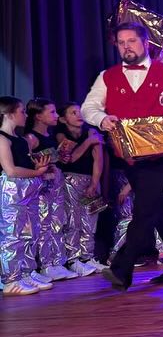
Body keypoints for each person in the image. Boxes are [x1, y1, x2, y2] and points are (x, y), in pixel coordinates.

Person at [82, 22, 163, 289]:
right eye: (121, 42)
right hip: (129, 155)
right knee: (157, 206)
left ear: (145, 43)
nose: (126, 46)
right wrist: (102, 119)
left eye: (131, 41)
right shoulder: (108, 76)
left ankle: (121, 267)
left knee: (145, 208)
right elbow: (88, 108)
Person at [1, 97, 55, 296]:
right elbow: (10, 170)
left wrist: (40, 168)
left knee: (28, 233)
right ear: (8, 114)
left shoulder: (21, 140)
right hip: (11, 191)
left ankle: (25, 272)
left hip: (27, 191)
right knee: (12, 235)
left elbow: (25, 165)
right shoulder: (2, 139)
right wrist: (37, 172)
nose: (25, 115)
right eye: (21, 111)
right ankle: (10, 280)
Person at [25, 98, 75, 283]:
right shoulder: (31, 138)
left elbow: (52, 160)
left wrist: (61, 157)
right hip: (42, 188)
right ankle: (45, 264)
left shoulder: (50, 136)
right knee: (44, 224)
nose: (56, 116)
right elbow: (27, 162)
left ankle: (56, 261)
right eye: (51, 112)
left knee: (57, 223)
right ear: (38, 116)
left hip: (55, 185)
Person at [55, 101, 106, 276]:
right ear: (63, 119)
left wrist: (94, 183)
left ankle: (87, 256)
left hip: (91, 179)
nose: (79, 115)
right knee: (73, 220)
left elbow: (98, 159)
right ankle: (73, 259)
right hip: (70, 179)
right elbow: (71, 158)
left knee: (91, 220)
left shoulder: (91, 132)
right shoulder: (61, 135)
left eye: (80, 111)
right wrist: (88, 142)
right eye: (73, 112)